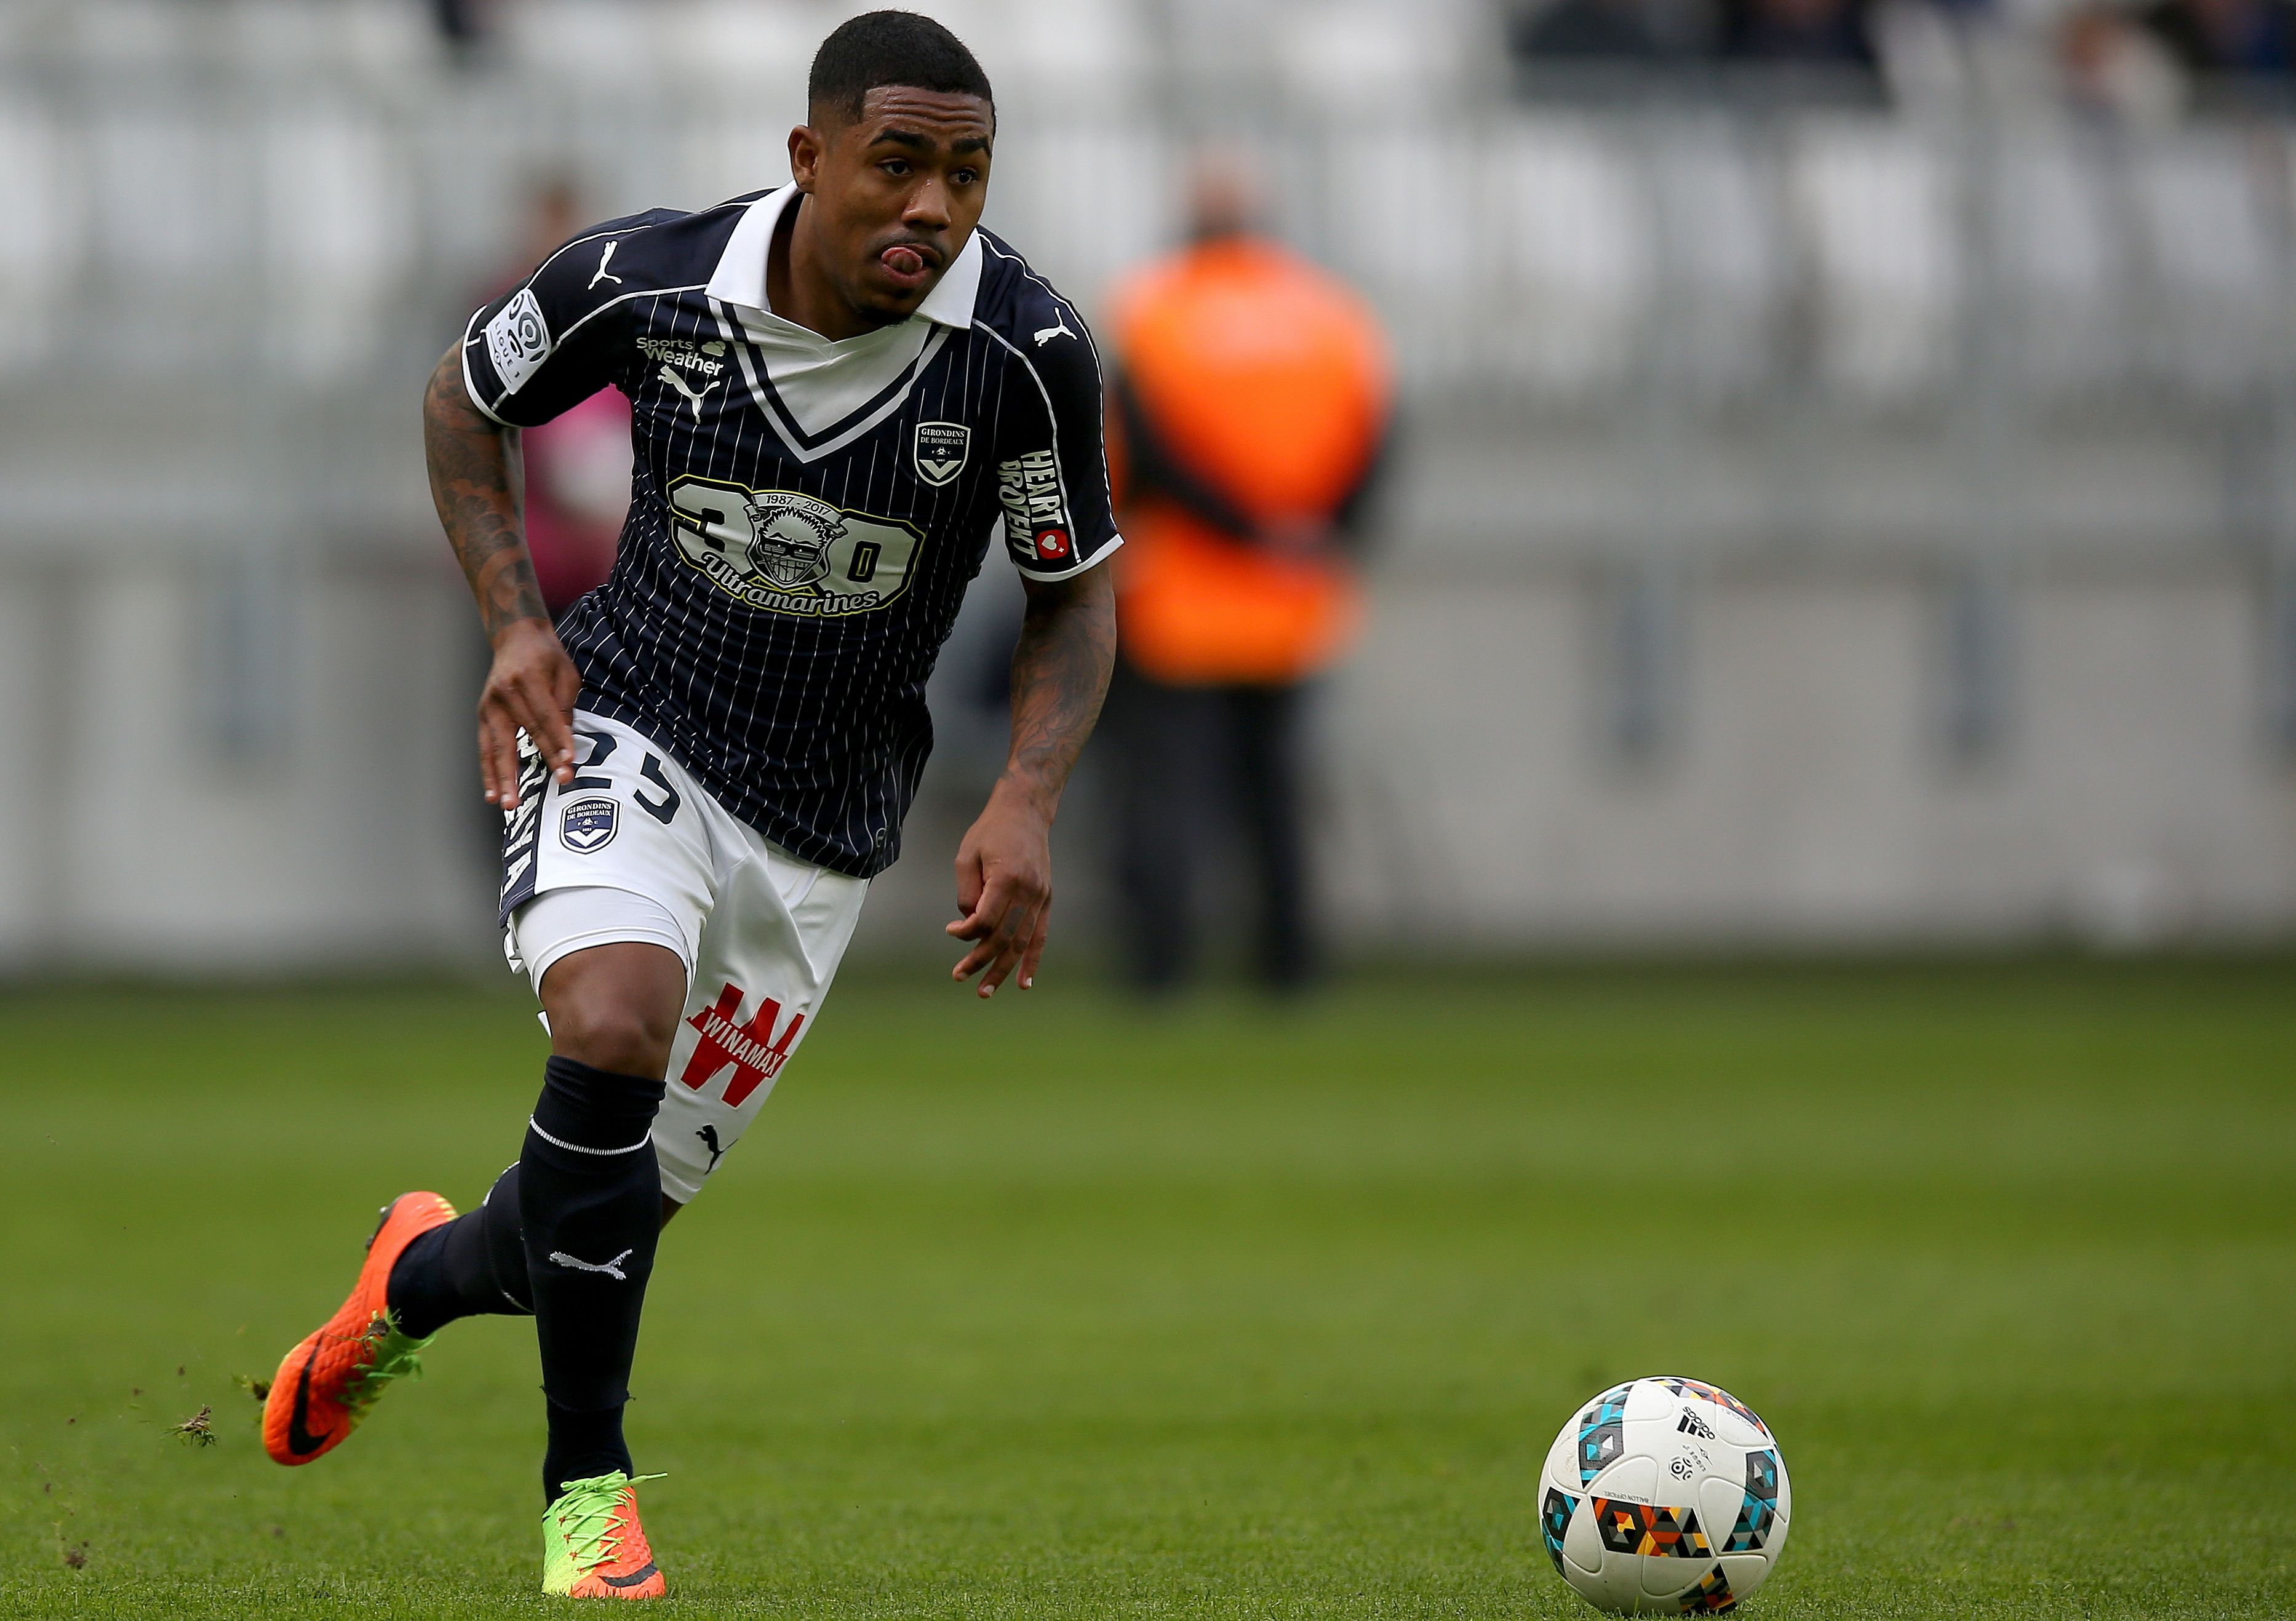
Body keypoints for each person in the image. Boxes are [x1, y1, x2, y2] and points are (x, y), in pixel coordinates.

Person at [258, 12, 1118, 1601]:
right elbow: (463, 398)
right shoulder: (642, 281)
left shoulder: (1026, 353)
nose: (931, 208)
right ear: (808, 159)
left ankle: (408, 1282)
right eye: (897, 164)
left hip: (822, 829)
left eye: (967, 175)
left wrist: (1024, 795)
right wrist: (518, 619)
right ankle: (585, 1499)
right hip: (627, 726)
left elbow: (1072, 594)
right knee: (609, 1021)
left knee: (588, 1218)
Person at [1101, 161, 1390, 994]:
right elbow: (1377, 440)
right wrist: (1314, 533)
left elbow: (1145, 449)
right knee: (1279, 796)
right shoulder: (1330, 314)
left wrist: (1238, 529)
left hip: (1179, 600)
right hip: (1293, 601)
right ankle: (1289, 966)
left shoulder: (1153, 311)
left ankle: (1160, 968)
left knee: (1164, 797)